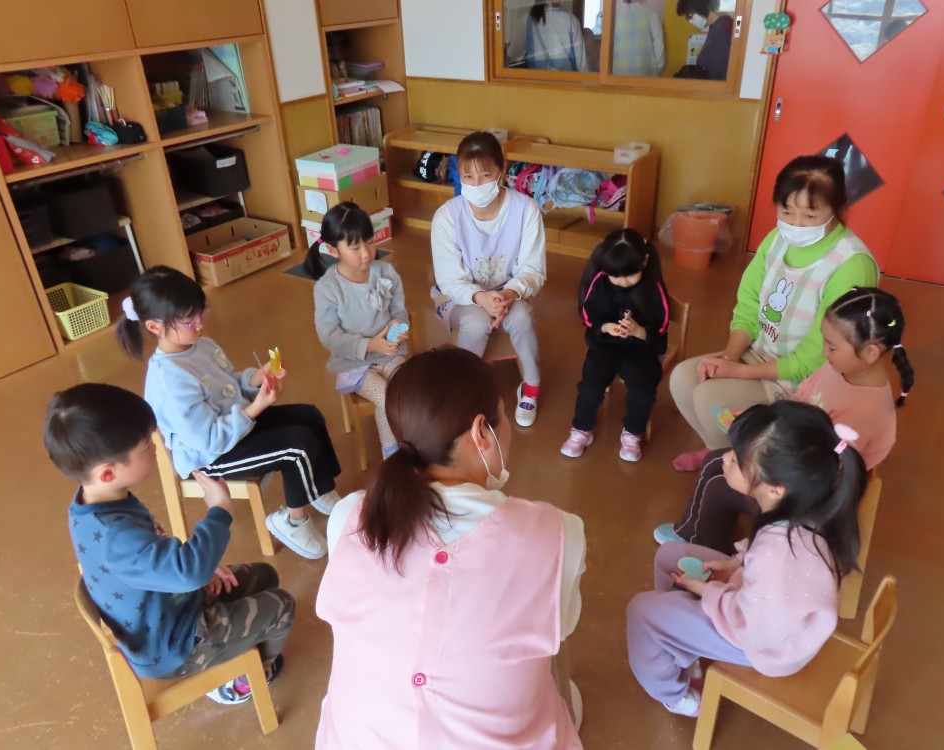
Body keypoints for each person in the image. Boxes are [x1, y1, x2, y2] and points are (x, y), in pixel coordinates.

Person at [315, 347, 587, 749]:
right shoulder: (559, 534)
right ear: (482, 432)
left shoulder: (348, 517)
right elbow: (561, 626)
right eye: (503, 415)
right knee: (560, 692)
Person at [45, 383, 295, 704]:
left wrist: (195, 569)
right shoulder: (116, 537)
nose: (157, 444)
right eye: (147, 445)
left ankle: (234, 646)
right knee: (283, 606)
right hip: (175, 646)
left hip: (171, 606)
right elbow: (183, 569)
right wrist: (219, 510)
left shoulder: (96, 500)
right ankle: (244, 680)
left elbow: (154, 559)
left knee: (264, 575)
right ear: (107, 473)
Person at [626, 401, 865, 717]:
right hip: (768, 612)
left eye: (737, 459)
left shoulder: (775, 556)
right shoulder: (810, 507)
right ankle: (680, 644)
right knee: (671, 555)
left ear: (775, 489)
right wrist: (735, 564)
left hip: (766, 647)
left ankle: (676, 695)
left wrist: (709, 592)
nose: (725, 458)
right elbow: (771, 566)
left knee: (641, 612)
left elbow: (754, 627)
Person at [654, 287, 913, 552]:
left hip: (808, 499)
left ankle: (706, 547)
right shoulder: (839, 368)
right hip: (794, 464)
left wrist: (763, 455)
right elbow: (799, 403)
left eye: (832, 346)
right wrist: (760, 420)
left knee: (719, 483)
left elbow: (819, 476)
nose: (824, 351)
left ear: (870, 352)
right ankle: (695, 532)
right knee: (716, 461)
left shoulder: (864, 412)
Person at [669, 155, 879, 471]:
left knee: (709, 396)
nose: (796, 224)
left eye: (810, 214)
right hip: (761, 353)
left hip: (806, 382)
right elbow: (749, 304)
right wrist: (730, 356)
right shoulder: (778, 239)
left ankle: (745, 468)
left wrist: (737, 372)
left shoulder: (851, 265)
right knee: (683, 379)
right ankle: (719, 451)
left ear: (837, 208)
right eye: (786, 211)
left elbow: (817, 358)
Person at [116, 266, 341, 560]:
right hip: (210, 456)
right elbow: (209, 440)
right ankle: (293, 521)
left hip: (234, 426)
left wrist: (255, 379)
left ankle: (317, 487)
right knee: (296, 446)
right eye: (189, 320)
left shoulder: (198, 343)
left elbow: (228, 384)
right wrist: (257, 406)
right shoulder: (169, 380)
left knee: (309, 416)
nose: (200, 324)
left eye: (201, 313)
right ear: (155, 327)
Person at [431, 131, 547, 427]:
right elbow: (448, 278)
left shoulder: (526, 209)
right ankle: (466, 390)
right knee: (476, 321)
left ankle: (531, 385)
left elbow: (533, 269)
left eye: (485, 175)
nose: (475, 184)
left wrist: (508, 294)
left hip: (508, 292)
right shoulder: (447, 216)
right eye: (467, 177)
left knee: (521, 317)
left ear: (501, 170)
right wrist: (480, 297)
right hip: (461, 297)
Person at [306, 202, 410, 461]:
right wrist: (371, 345)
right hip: (355, 364)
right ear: (333, 250)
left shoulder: (386, 272)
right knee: (386, 397)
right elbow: (329, 336)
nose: (366, 253)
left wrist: (398, 329)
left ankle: (411, 444)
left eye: (370, 242)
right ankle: (392, 457)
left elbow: (400, 312)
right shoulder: (327, 288)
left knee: (406, 391)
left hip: (390, 354)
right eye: (355, 248)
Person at [560, 229, 670, 462]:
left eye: (630, 275)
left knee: (642, 392)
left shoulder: (652, 286)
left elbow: (661, 325)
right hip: (605, 346)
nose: (623, 281)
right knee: (590, 387)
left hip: (640, 350)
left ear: (644, 261)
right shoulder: (600, 280)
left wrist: (638, 331)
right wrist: (605, 327)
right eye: (615, 276)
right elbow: (588, 313)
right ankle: (581, 428)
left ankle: (632, 432)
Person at [676, 0, 732, 80]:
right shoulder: (716, 27)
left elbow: (722, 70)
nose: (690, 21)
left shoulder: (721, 29)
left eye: (689, 15)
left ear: (699, 7)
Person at [526, 0, 588, 72]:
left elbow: (517, 52)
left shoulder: (529, 20)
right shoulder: (571, 20)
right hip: (565, 77)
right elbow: (581, 63)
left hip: (536, 77)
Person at [612, 0, 666, 77]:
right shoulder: (651, 13)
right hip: (645, 74)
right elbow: (659, 44)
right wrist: (657, 70)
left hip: (617, 74)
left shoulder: (613, 16)